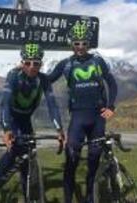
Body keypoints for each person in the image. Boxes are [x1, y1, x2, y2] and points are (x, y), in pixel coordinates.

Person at [0, 43, 65, 203]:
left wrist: (59, 129)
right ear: (22, 62)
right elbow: (5, 103)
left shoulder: (43, 80)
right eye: (28, 63)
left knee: (28, 154)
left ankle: (27, 194)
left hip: (25, 119)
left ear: (41, 64)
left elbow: (52, 105)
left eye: (36, 63)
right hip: (12, 117)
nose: (32, 67)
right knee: (15, 150)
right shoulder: (14, 75)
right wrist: (7, 129)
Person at [47, 22, 118, 203]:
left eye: (84, 43)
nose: (80, 47)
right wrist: (24, 72)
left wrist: (111, 107)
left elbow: (112, 83)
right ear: (72, 44)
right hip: (78, 117)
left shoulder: (97, 61)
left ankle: (88, 198)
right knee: (71, 161)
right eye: (77, 43)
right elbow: (46, 81)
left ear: (88, 44)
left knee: (94, 161)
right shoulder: (65, 64)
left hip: (97, 118)